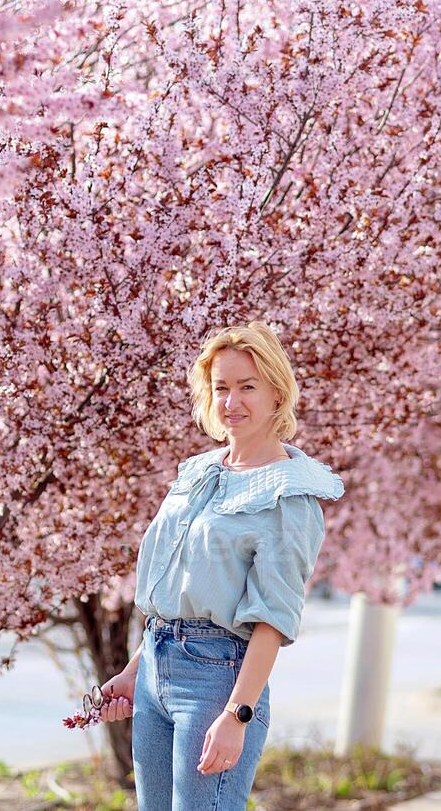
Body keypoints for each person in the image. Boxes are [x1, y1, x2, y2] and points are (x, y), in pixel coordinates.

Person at [97, 320, 345, 809]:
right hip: (154, 672)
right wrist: (133, 671)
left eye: (246, 387)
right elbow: (178, 590)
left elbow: (273, 619)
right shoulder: (197, 473)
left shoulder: (289, 495)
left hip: (219, 681)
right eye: (221, 388)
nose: (232, 402)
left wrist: (238, 715)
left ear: (277, 392)